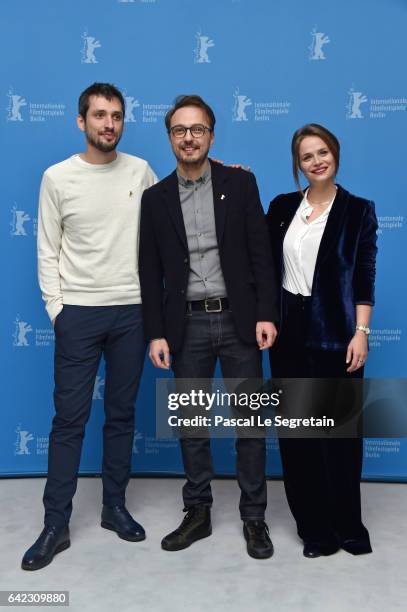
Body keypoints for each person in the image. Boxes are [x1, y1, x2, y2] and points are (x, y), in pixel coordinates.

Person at [21, 83, 158, 571]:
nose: (109, 124)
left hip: (131, 311)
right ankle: (54, 524)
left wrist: (226, 175)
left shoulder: (141, 172)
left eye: (117, 116)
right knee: (69, 421)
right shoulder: (57, 178)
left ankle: (113, 507)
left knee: (121, 415)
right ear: (81, 121)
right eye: (99, 116)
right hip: (78, 312)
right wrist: (59, 310)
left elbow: (171, 220)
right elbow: (46, 247)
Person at [139, 95, 279, 559]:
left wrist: (266, 314)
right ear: (170, 138)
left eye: (197, 129)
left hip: (240, 323)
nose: (189, 137)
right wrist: (156, 332)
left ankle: (254, 518)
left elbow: (261, 252)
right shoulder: (155, 198)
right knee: (193, 425)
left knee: (250, 425)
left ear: (211, 135)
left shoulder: (240, 184)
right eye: (180, 130)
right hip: (186, 327)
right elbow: (150, 269)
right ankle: (197, 512)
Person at [267, 123, 378, 557]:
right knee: (297, 436)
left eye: (322, 152)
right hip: (287, 332)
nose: (316, 161)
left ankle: (349, 526)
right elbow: (259, 258)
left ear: (335, 154)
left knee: (340, 436)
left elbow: (365, 276)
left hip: (337, 333)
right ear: (298, 164)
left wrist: (361, 332)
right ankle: (314, 529)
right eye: (307, 156)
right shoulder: (280, 207)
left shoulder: (358, 210)